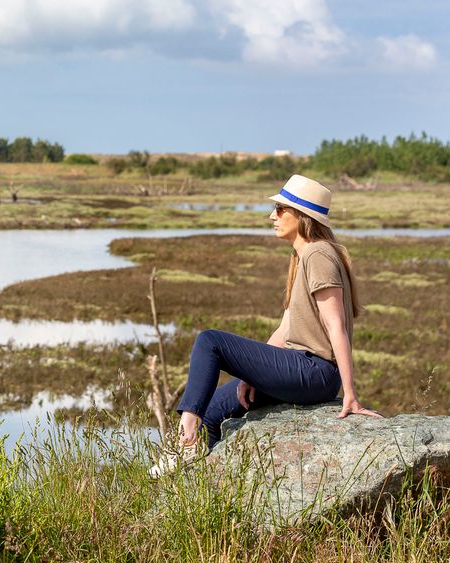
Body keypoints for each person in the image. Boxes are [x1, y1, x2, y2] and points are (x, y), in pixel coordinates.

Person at [149, 174, 381, 478]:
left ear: (302, 216)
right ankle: (205, 480)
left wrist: (350, 394)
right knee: (212, 412)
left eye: (281, 209)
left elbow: (336, 325)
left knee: (210, 342)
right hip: (298, 369)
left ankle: (185, 442)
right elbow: (285, 329)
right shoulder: (301, 257)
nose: (273, 216)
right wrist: (252, 375)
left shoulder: (319, 254)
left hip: (315, 372)